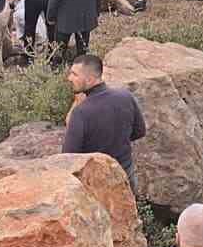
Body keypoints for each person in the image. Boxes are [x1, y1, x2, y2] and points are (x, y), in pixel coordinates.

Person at [62, 54, 146, 192]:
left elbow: (68, 156)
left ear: (89, 79)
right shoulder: (126, 96)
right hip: (125, 173)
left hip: (97, 181)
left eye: (74, 74)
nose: (69, 78)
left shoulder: (81, 112)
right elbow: (140, 132)